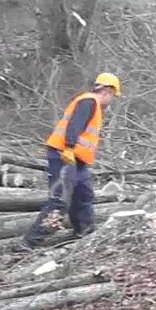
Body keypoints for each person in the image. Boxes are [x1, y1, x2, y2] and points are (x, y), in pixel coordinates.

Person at [24, 73, 121, 247]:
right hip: (65, 155)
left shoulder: (93, 105)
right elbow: (74, 125)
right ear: (107, 91)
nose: (111, 100)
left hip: (78, 159)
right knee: (60, 201)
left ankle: (85, 234)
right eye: (113, 95)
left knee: (83, 195)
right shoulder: (88, 102)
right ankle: (31, 242)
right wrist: (69, 148)